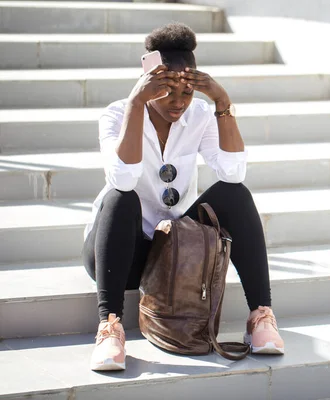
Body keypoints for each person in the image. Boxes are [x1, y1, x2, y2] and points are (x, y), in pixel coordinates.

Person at [83, 22, 284, 372]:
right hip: (119, 254)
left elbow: (232, 173)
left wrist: (222, 102)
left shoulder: (202, 115)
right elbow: (123, 177)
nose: (178, 102)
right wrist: (136, 103)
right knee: (121, 197)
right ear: (149, 81)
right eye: (167, 91)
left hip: (174, 256)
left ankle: (261, 316)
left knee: (235, 194)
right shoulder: (117, 114)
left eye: (187, 92)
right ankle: (110, 326)